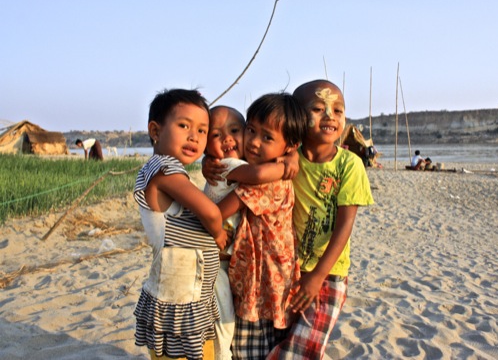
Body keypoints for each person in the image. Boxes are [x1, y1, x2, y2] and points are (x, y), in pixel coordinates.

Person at [267, 80, 374, 359]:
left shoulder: (348, 165)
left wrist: (317, 276)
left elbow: (344, 227)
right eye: (318, 108)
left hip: (329, 273)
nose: (330, 115)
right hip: (289, 270)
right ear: (297, 118)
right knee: (292, 339)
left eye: (338, 110)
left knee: (301, 350)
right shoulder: (288, 160)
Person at [133, 89, 227, 360]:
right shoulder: (164, 170)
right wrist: (218, 233)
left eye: (202, 130)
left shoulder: (165, 169)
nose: (194, 137)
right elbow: (210, 213)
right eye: (184, 125)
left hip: (189, 296)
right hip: (178, 300)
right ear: (155, 130)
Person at [215, 93, 308, 359]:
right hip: (266, 279)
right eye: (250, 130)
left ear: (290, 145)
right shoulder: (266, 170)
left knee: (250, 349)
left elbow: (217, 213)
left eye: (267, 137)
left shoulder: (267, 181)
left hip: (262, 282)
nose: (254, 142)